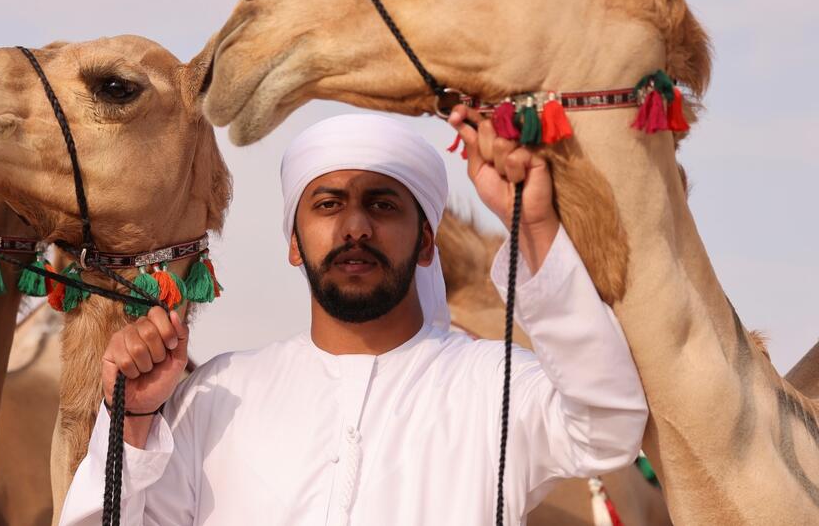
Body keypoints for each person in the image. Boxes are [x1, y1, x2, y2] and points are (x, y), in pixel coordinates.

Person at [58, 110, 648, 525]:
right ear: (295, 242)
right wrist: (131, 422)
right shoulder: (217, 393)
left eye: (383, 204)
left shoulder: (493, 385)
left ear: (425, 244)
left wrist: (536, 222)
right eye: (329, 204)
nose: (355, 227)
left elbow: (609, 426)